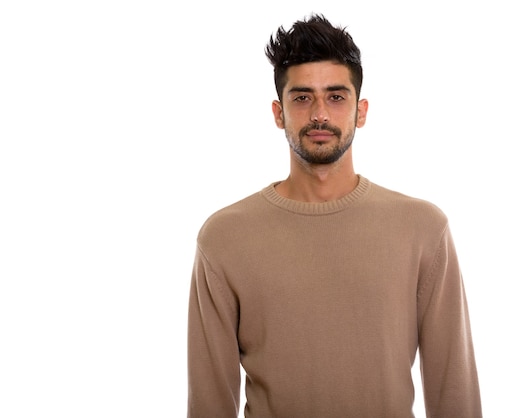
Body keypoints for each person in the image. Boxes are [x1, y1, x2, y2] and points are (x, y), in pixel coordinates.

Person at [187, 13, 482, 418]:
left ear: (361, 111)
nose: (319, 114)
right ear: (279, 113)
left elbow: (455, 394)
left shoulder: (423, 229)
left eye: (336, 96)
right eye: (302, 97)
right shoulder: (224, 238)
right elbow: (208, 403)